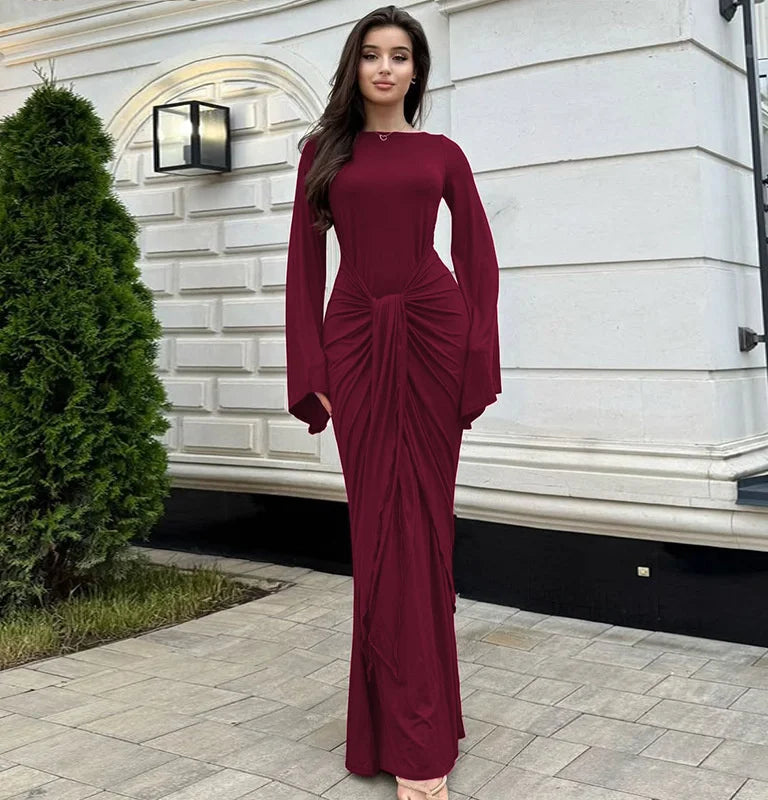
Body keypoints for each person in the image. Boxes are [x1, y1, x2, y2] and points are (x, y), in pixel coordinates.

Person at [284, 6, 501, 799]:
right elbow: (304, 268)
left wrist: (474, 353)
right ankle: (407, 729)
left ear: (417, 70)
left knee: (426, 529)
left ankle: (419, 734)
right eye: (372, 55)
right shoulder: (323, 153)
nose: (385, 68)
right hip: (356, 349)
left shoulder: (444, 154)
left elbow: (479, 257)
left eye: (400, 56)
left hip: (433, 343)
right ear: (356, 66)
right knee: (382, 531)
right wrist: (310, 368)